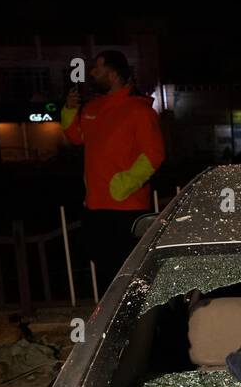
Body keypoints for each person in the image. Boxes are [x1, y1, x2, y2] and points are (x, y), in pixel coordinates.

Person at [61, 50, 165, 286]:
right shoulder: (92, 108)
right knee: (107, 274)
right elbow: (76, 137)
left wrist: (123, 185)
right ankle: (114, 321)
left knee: (130, 276)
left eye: (98, 68)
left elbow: (154, 155)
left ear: (114, 73)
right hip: (94, 206)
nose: (92, 73)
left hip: (126, 208)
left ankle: (142, 321)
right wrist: (69, 109)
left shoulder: (139, 110)